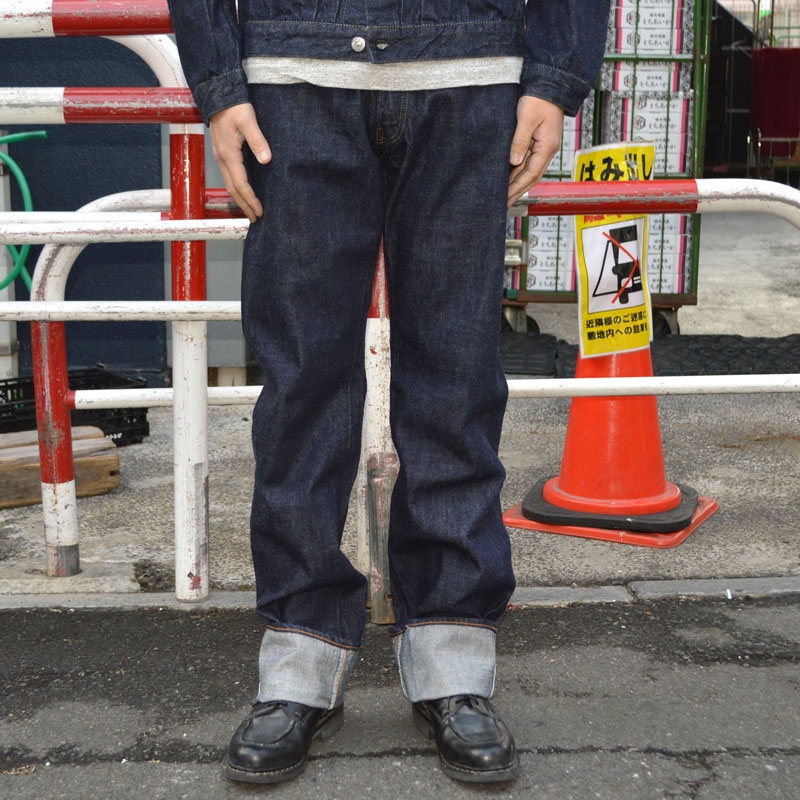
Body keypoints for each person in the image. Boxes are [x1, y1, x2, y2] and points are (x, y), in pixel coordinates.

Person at [168, 0, 609, 785]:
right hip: (295, 78)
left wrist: (554, 75)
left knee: (456, 380)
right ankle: (299, 663)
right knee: (302, 386)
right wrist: (219, 82)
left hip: (470, 72)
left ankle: (452, 659)